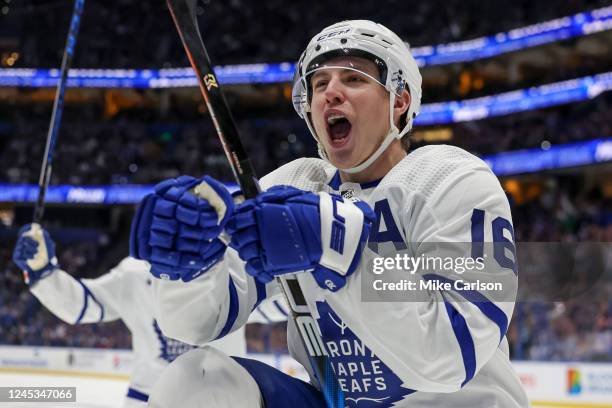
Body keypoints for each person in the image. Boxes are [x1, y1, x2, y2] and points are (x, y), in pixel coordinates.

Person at [130, 20, 529, 407]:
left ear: (401, 99)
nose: (330, 93)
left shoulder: (451, 177)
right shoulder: (296, 186)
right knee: (197, 382)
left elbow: (452, 356)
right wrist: (191, 265)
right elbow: (196, 325)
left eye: (354, 78)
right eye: (319, 84)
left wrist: (337, 248)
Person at [12, 223, 247, 407]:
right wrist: (43, 273)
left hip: (223, 399)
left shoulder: (230, 267)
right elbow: (82, 303)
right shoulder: (134, 274)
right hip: (151, 398)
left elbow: (275, 303)